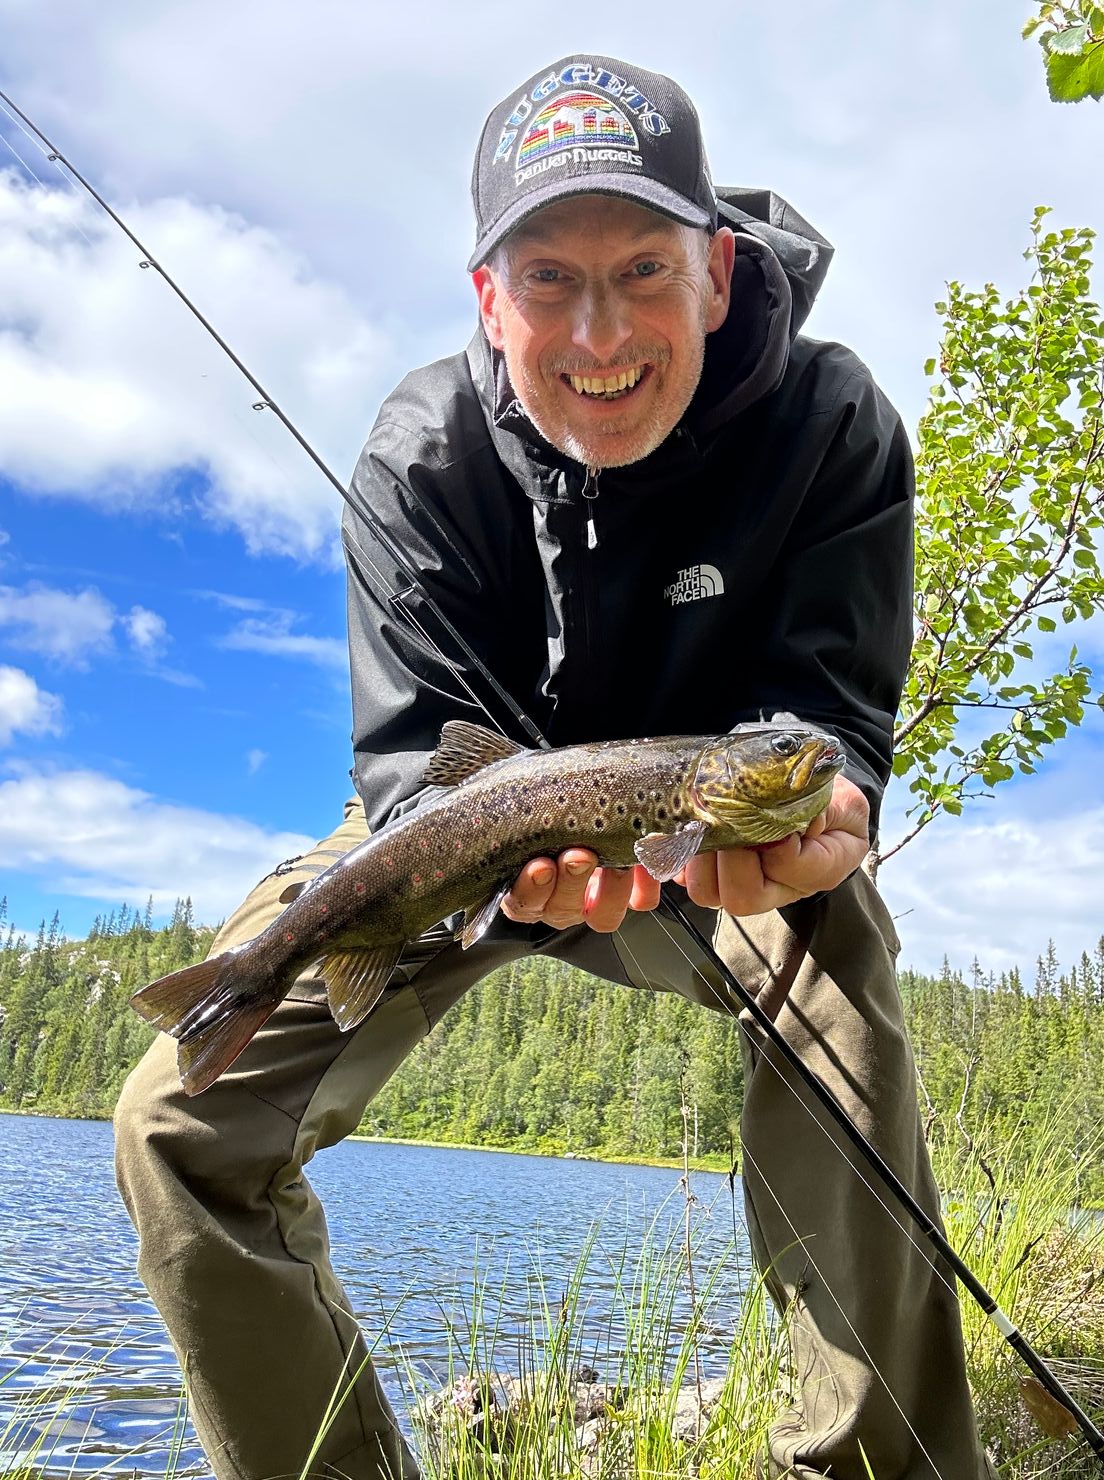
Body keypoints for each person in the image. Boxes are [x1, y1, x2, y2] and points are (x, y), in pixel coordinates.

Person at [115, 54, 994, 1480]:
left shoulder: (832, 426)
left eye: (645, 269)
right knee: (174, 1123)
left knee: (841, 973)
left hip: (709, 838)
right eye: (548, 280)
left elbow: (824, 724)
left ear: (717, 271)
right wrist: (470, 870)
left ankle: (869, 1461)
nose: (600, 334)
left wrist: (830, 808)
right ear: (488, 295)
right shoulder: (420, 455)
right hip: (454, 844)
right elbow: (418, 771)